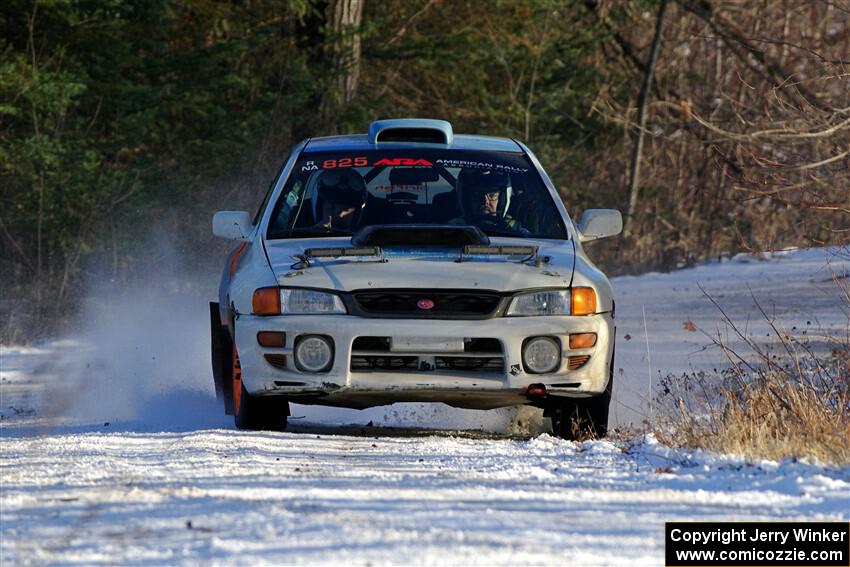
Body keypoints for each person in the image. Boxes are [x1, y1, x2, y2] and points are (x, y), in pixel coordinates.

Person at [458, 169, 525, 232]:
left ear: (501, 200)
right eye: (477, 196)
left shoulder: (514, 230)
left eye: (492, 196)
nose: (485, 202)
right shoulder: (455, 227)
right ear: (468, 201)